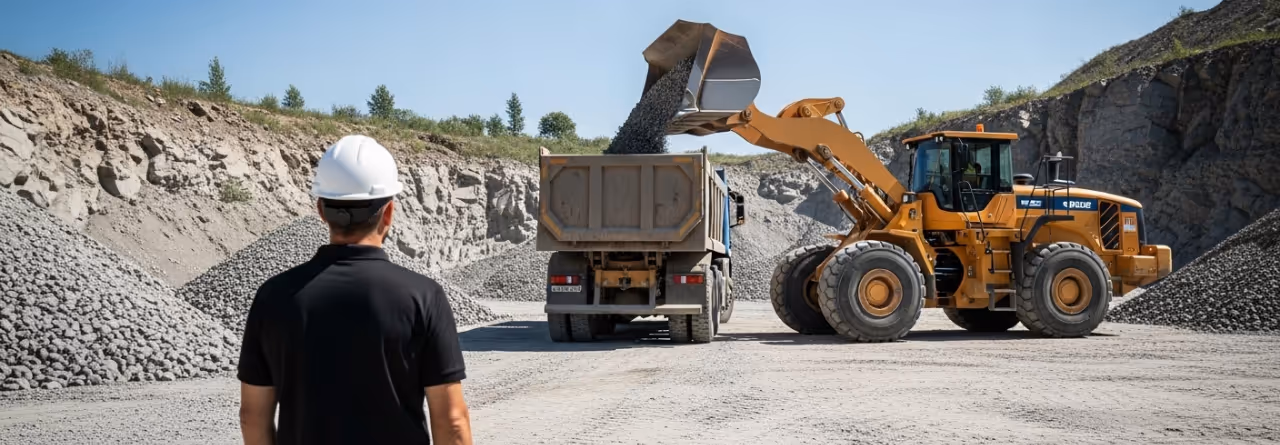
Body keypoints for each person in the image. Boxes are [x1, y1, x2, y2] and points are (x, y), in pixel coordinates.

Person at [236, 134, 473, 445]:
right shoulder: (424, 297)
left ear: (321, 209)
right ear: (389, 212)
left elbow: (252, 416)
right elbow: (452, 422)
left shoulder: (273, 296)